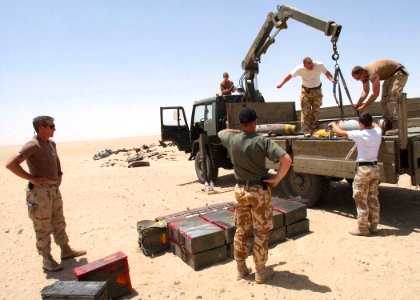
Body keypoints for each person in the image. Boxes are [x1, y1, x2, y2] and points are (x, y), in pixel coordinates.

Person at [218, 108, 292, 284]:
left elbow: (221, 132)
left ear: (242, 124)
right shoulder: (262, 141)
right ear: (255, 123)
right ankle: (260, 271)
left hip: (240, 191)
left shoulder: (232, 139)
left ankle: (241, 269)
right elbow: (287, 160)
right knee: (261, 232)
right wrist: (276, 180)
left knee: (241, 230)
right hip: (259, 191)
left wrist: (238, 131)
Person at [5, 116, 86, 272]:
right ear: (40, 127)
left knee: (59, 221)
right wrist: (32, 179)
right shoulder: (32, 145)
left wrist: (59, 174)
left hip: (53, 189)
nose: (54, 128)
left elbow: (56, 159)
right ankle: (47, 260)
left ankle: (65, 250)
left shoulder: (50, 143)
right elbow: (11, 164)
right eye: (51, 126)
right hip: (40, 193)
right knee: (43, 226)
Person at [328, 113, 382, 236]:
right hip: (375, 168)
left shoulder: (360, 134)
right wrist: (371, 120)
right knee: (373, 198)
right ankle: (374, 225)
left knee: (360, 198)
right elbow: (376, 125)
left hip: (363, 170)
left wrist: (333, 125)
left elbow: (340, 132)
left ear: (361, 124)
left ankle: (362, 228)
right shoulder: (378, 132)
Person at [277, 57, 336, 137]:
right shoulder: (299, 69)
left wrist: (332, 79)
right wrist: (281, 83)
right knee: (306, 111)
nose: (311, 67)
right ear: (304, 65)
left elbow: (327, 73)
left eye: (312, 65)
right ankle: (306, 130)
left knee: (316, 110)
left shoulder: (319, 65)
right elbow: (289, 76)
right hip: (306, 91)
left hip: (317, 91)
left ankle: (313, 127)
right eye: (309, 66)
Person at [351, 59, 409, 135]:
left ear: (362, 72)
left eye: (358, 78)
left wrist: (364, 106)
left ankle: (398, 127)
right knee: (383, 101)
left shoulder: (372, 72)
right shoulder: (364, 76)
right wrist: (359, 103)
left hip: (399, 73)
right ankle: (388, 125)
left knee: (393, 96)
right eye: (356, 79)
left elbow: (375, 94)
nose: (358, 80)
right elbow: (365, 91)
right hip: (390, 76)